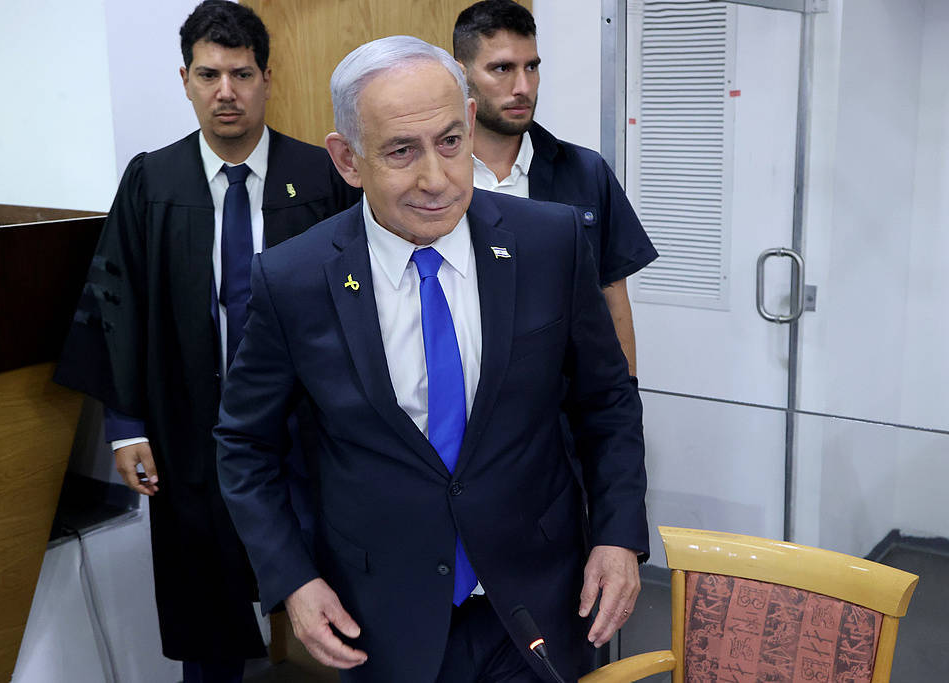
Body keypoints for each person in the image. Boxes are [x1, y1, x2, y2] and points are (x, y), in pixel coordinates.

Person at [215, 35, 648, 683]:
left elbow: (606, 400)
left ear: (470, 123)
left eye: (449, 142)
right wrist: (293, 579)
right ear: (348, 159)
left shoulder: (549, 242)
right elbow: (245, 445)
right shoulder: (293, 279)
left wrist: (618, 535)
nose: (436, 179)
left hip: (538, 598)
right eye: (400, 151)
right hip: (384, 618)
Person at [54, 1, 357, 680]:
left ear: (267, 79)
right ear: (185, 80)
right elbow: (119, 304)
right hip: (193, 429)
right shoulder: (151, 181)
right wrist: (126, 428)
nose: (226, 92)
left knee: (343, 596)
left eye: (242, 74)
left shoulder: (322, 179)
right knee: (206, 606)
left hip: (313, 430)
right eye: (209, 74)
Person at [453, 0, 657, 376]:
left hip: (561, 394)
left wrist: (625, 397)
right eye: (502, 68)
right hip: (464, 389)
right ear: (461, 75)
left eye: (531, 67)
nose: (523, 87)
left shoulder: (585, 171)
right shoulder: (436, 181)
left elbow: (613, 299)